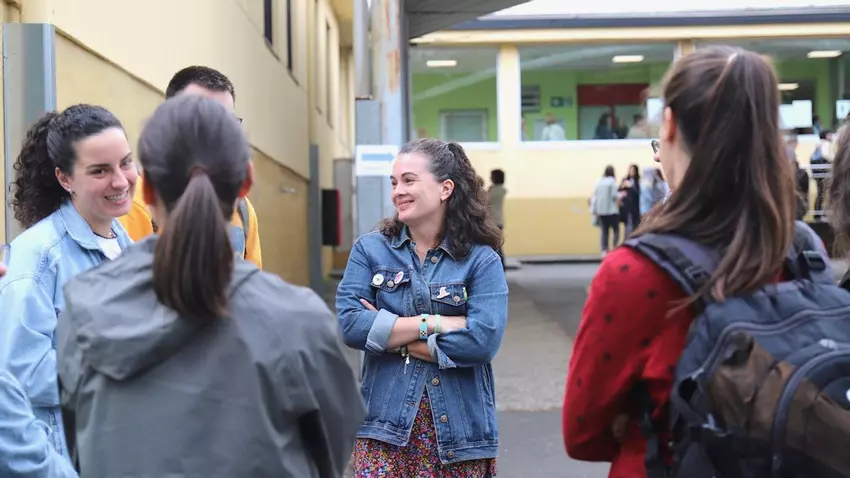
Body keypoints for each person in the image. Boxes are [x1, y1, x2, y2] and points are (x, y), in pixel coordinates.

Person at [57, 94, 364, 477]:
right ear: (246, 182)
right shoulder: (299, 321)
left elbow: (77, 443)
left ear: (147, 190)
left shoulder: (84, 308)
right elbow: (332, 448)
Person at [563, 46, 801, 476]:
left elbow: (582, 432)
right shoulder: (799, 250)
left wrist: (634, 418)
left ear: (670, 124)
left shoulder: (636, 272)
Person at [336, 138, 507, 476]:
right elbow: (351, 326)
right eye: (394, 182)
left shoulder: (481, 260)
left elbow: (481, 341)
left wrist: (389, 336)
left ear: (445, 188)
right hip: (383, 433)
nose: (398, 191)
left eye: (409, 180)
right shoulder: (370, 250)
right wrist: (435, 323)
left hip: (460, 440)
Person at [0, 105, 136, 467]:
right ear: (65, 179)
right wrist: (119, 369)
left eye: (125, 163)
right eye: (100, 171)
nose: (121, 181)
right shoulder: (37, 258)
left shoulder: (127, 245)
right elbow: (21, 371)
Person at [118, 65, 263, 268]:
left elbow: (252, 281)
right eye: (198, 119)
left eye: (225, 121)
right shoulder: (130, 203)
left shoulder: (243, 210)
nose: (215, 131)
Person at [591, 165, 620, 255]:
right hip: (612, 211)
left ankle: (604, 250)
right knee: (616, 230)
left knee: (604, 230)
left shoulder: (599, 182)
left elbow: (595, 196)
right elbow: (614, 196)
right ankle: (614, 247)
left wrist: (595, 210)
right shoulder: (612, 182)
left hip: (601, 211)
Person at [488, 168, 507, 269]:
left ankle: (500, 266)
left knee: (495, 246)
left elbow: (486, 200)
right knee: (496, 245)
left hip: (493, 221)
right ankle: (501, 266)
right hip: (498, 221)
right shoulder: (500, 189)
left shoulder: (495, 190)